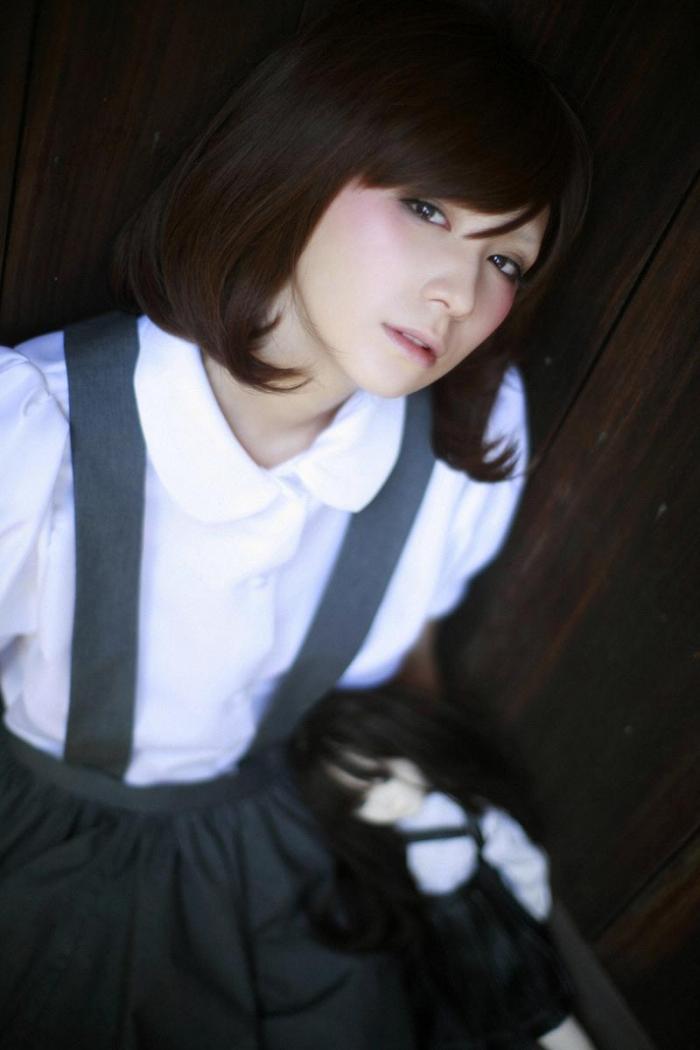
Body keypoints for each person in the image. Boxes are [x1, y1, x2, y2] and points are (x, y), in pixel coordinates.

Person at [0, 1, 590, 1047]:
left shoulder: (459, 444)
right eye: (428, 209)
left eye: (507, 259)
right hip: (48, 844)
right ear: (300, 163)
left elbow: (401, 651)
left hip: (273, 838)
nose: (459, 291)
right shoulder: (38, 429)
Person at [290, 686, 598, 1050]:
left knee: (543, 1014)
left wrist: (531, 907)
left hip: (494, 936)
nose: (384, 803)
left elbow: (518, 857)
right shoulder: (388, 845)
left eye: (383, 778)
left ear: (405, 745)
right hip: (451, 952)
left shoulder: (464, 815)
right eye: (361, 802)